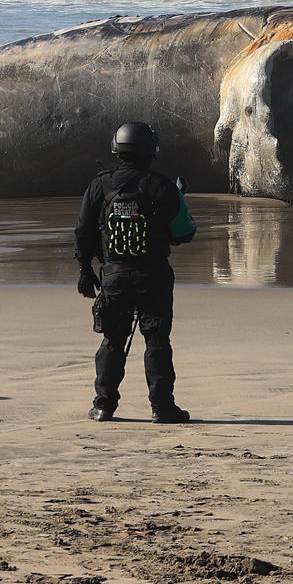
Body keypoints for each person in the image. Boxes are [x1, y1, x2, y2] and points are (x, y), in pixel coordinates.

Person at [74, 121, 197, 423]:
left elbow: (83, 232)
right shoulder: (162, 187)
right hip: (153, 277)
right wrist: (179, 200)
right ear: (151, 150)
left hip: (113, 277)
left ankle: (104, 406)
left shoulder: (99, 186)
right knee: (156, 342)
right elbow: (184, 234)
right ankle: (162, 409)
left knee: (113, 341)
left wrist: (84, 272)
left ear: (117, 148)